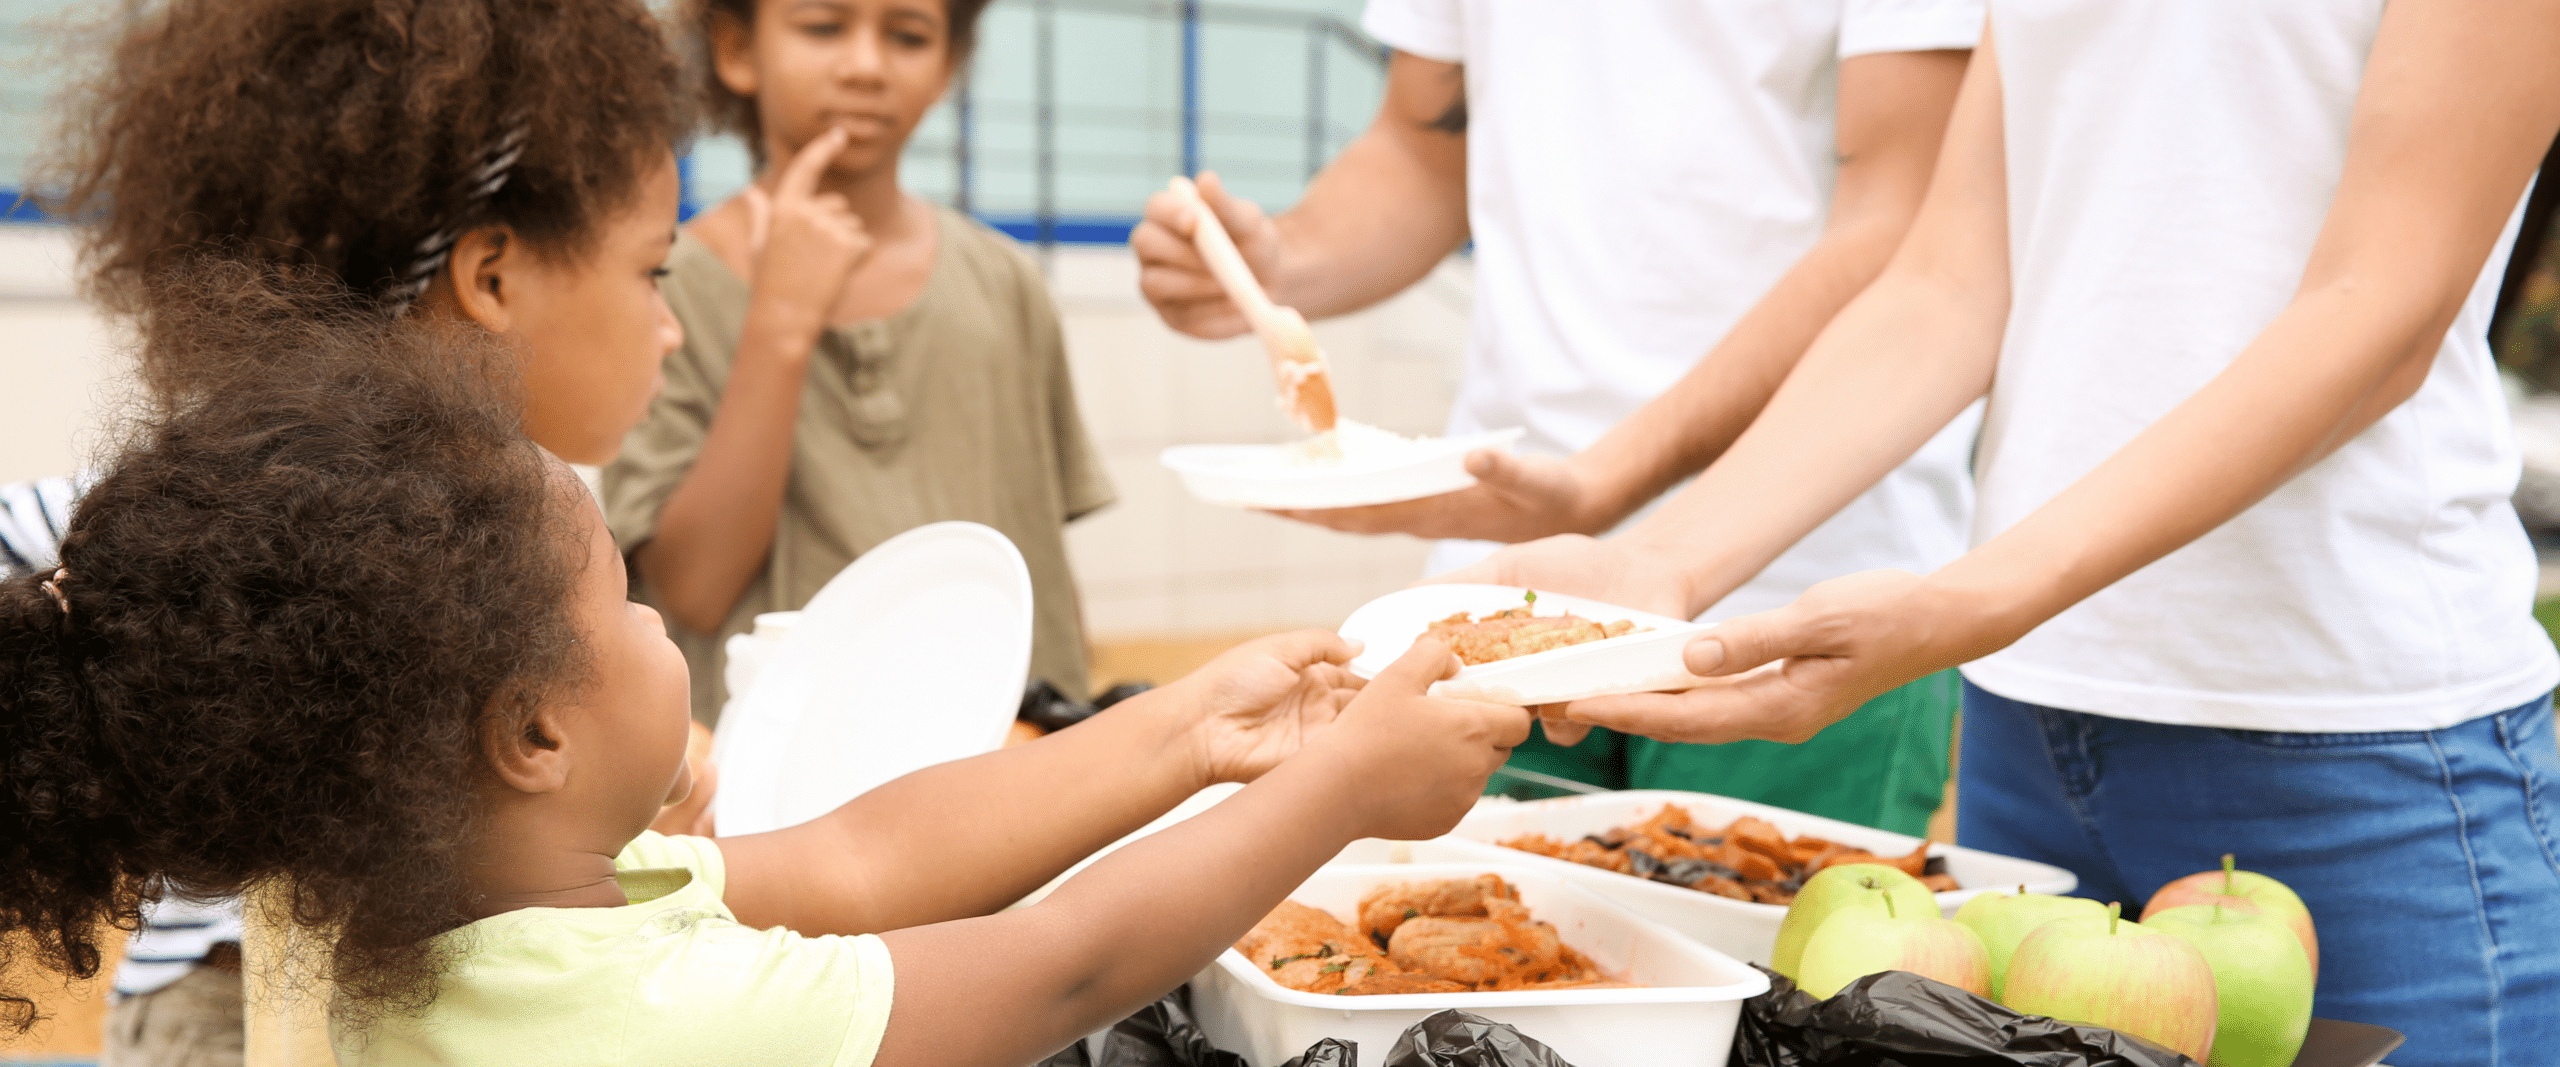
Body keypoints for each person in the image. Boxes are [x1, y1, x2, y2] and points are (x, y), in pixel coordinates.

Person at [0, 280, 1528, 1066]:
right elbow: (1058, 965)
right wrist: (1340, 788)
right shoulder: (635, 1014)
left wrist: (1193, 728)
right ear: (533, 729)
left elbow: (866, 854)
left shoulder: (372, 892)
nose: (668, 621)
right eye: (627, 595)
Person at [1445, 3, 2560, 1061]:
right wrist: (1663, 559)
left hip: (2351, 746)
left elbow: (2382, 303)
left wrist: (1969, 598)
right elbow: (1949, 279)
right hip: (2030, 730)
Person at [1131, 0, 1982, 833]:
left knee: (1767, 970)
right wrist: (1284, 262)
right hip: (1506, 575)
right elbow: (1425, 146)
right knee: (1465, 950)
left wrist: (1608, 484)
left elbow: (1919, 232)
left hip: (1803, 574)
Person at [44, 0, 696, 1055]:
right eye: (653, 269)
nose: (671, 325)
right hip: (239, 1018)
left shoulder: (510, 512)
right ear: (491, 275)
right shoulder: (277, 492)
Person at [604, 0, 1111, 723]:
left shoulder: (1005, 281)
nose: (866, 66)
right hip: (790, 782)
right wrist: (781, 321)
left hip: (1010, 752)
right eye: (823, 27)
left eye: (907, 35)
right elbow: (694, 588)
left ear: (948, 66)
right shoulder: (667, 287)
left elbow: (1041, 565)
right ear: (739, 49)